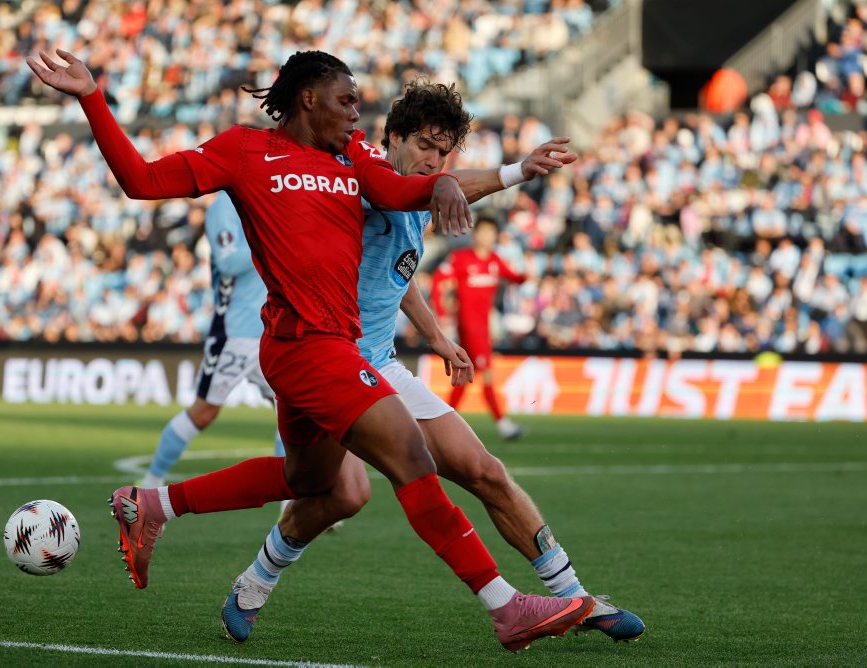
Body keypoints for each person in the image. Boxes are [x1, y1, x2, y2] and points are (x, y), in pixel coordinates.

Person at [27, 49, 592, 652]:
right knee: (411, 459)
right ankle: (506, 607)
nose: (357, 114)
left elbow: (406, 191)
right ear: (308, 99)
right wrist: (93, 98)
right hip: (309, 345)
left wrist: (497, 175)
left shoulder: (351, 159)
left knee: (321, 484)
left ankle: (153, 504)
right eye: (347, 101)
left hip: (319, 347)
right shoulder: (244, 151)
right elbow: (139, 181)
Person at [221, 79, 645, 645]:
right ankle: (253, 582)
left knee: (485, 470)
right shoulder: (363, 172)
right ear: (392, 138)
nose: (434, 160)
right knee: (336, 495)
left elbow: (401, 274)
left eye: (445, 152)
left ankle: (574, 598)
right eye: (424, 144)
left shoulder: (423, 195)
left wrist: (439, 338)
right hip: (327, 361)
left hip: (379, 361)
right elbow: (408, 190)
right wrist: (514, 170)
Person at [139, 193, 282, 490]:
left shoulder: (267, 197)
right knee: (204, 412)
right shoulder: (223, 207)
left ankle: (292, 507)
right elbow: (229, 262)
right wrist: (274, 238)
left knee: (293, 413)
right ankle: (151, 482)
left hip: (272, 330)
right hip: (235, 335)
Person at [431, 218, 528, 439]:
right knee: (486, 374)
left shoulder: (495, 260)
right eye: (483, 232)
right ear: (476, 235)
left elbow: (515, 277)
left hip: (484, 326)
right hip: (469, 325)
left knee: (465, 375)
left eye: (491, 232)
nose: (486, 237)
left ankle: (443, 421)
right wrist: (443, 313)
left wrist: (526, 273)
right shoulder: (461, 258)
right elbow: (438, 280)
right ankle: (503, 425)